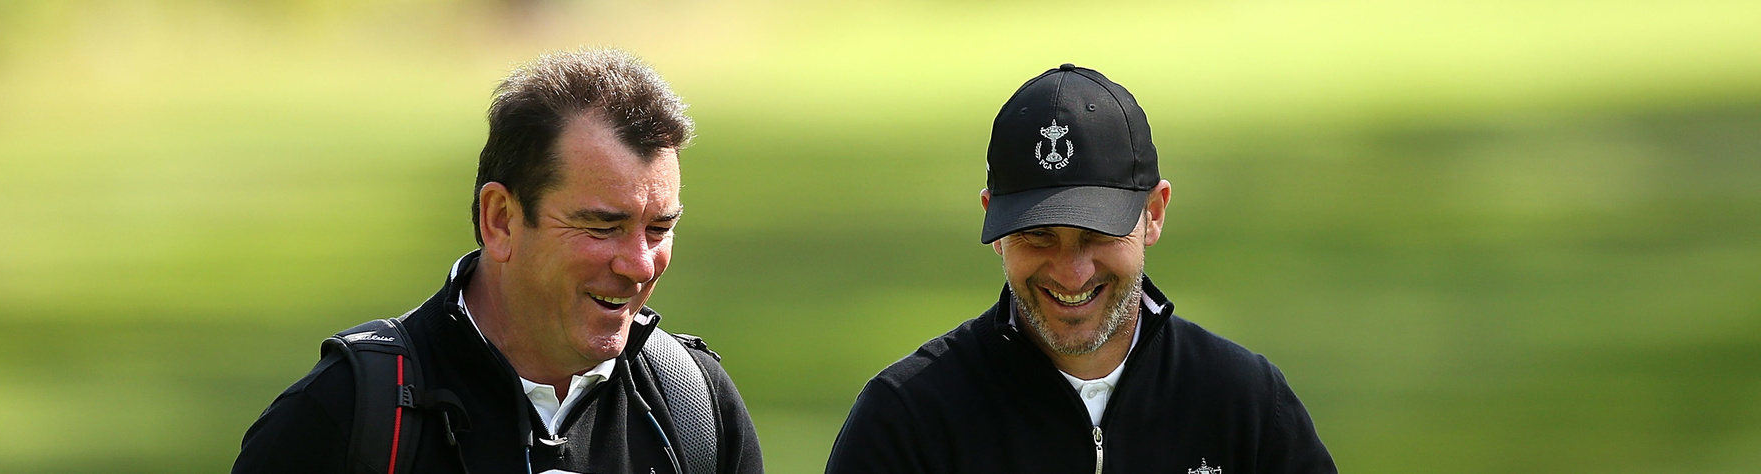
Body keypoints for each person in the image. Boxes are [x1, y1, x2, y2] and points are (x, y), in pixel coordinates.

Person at [234, 49, 764, 474]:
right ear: (501, 221)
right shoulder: (349, 413)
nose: (640, 265)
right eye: (603, 227)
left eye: (659, 229)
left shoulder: (694, 407)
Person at [824, 64, 1337, 474]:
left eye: (1097, 234)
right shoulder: (906, 420)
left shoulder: (1243, 405)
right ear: (995, 227)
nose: (1071, 272)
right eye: (1038, 234)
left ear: (1153, 214)